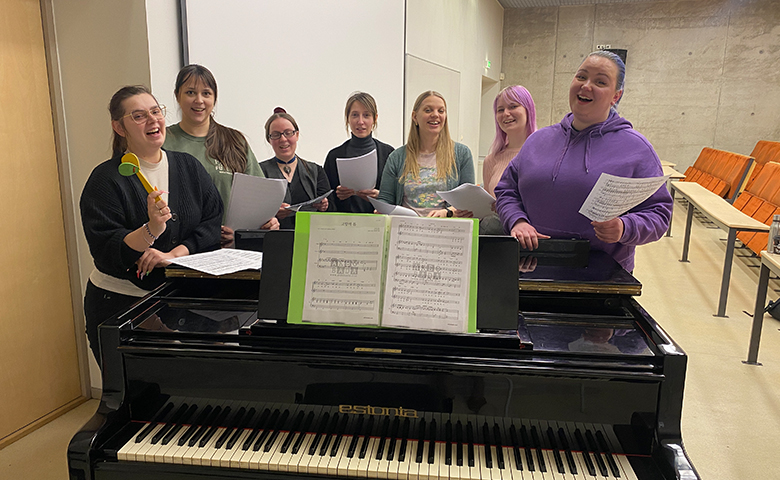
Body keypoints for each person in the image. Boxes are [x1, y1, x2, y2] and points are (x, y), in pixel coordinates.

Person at [80, 85, 222, 366]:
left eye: (156, 112)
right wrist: (151, 230)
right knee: (135, 402)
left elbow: (211, 223)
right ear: (119, 128)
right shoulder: (105, 180)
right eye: (139, 116)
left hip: (177, 299)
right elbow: (107, 250)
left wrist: (174, 253)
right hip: (120, 302)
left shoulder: (188, 166)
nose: (153, 120)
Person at [495, 50, 672, 272]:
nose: (586, 86)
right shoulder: (538, 141)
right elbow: (507, 190)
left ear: (616, 96)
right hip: (531, 269)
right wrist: (517, 221)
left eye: (600, 81)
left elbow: (658, 212)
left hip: (601, 276)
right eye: (581, 76)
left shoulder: (637, 149)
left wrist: (625, 227)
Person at [164, 64, 278, 246]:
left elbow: (258, 195)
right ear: (178, 96)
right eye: (190, 92)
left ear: (214, 98)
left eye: (206, 93)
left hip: (230, 250)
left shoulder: (234, 141)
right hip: (179, 251)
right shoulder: (163, 141)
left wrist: (266, 222)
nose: (199, 100)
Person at [377, 91, 474, 217]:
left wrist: (447, 212)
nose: (435, 115)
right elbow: (385, 198)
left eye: (441, 111)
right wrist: (381, 209)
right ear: (415, 116)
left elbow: (468, 200)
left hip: (447, 230)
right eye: (428, 110)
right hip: (407, 230)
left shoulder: (462, 154)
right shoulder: (397, 157)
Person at [323, 92, 395, 213]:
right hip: (343, 225)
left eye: (366, 115)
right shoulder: (334, 156)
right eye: (355, 115)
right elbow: (326, 200)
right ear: (348, 118)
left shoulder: (388, 154)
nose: (360, 121)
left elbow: (398, 197)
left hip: (378, 224)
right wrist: (337, 195)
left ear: (375, 118)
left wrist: (380, 197)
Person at [259, 109, 331, 229]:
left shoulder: (316, 171)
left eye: (288, 133)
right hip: (273, 241)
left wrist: (325, 206)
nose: (283, 139)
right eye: (276, 135)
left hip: (310, 238)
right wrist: (271, 212)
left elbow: (331, 212)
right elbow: (253, 211)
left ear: (297, 135)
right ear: (269, 140)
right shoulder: (259, 171)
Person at [480, 85, 537, 234]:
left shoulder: (544, 153)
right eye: (500, 110)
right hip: (498, 239)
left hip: (532, 238)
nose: (506, 113)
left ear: (528, 110)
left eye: (513, 106)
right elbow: (487, 207)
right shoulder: (491, 160)